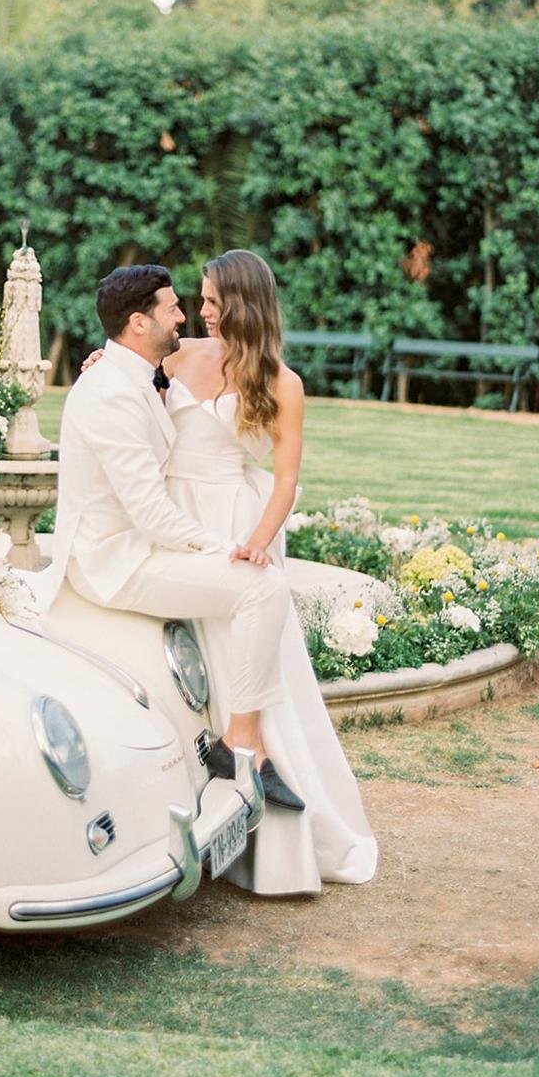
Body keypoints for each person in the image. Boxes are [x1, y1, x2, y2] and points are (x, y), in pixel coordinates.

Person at [82, 250, 378, 895]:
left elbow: (288, 477)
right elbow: (130, 365)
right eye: (198, 301)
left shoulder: (281, 381)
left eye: (213, 301)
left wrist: (259, 542)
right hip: (166, 515)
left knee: (245, 640)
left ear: (244, 303)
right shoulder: (177, 353)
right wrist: (105, 360)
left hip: (233, 519)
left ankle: (266, 819)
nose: (201, 312)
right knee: (190, 666)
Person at [40, 263, 305, 810]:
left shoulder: (143, 373)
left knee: (256, 592)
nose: (188, 314)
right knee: (262, 587)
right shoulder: (115, 389)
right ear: (140, 323)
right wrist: (226, 547)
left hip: (178, 524)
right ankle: (241, 745)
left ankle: (241, 742)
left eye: (204, 301)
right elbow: (151, 511)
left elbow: (283, 475)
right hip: (125, 554)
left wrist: (249, 537)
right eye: (177, 307)